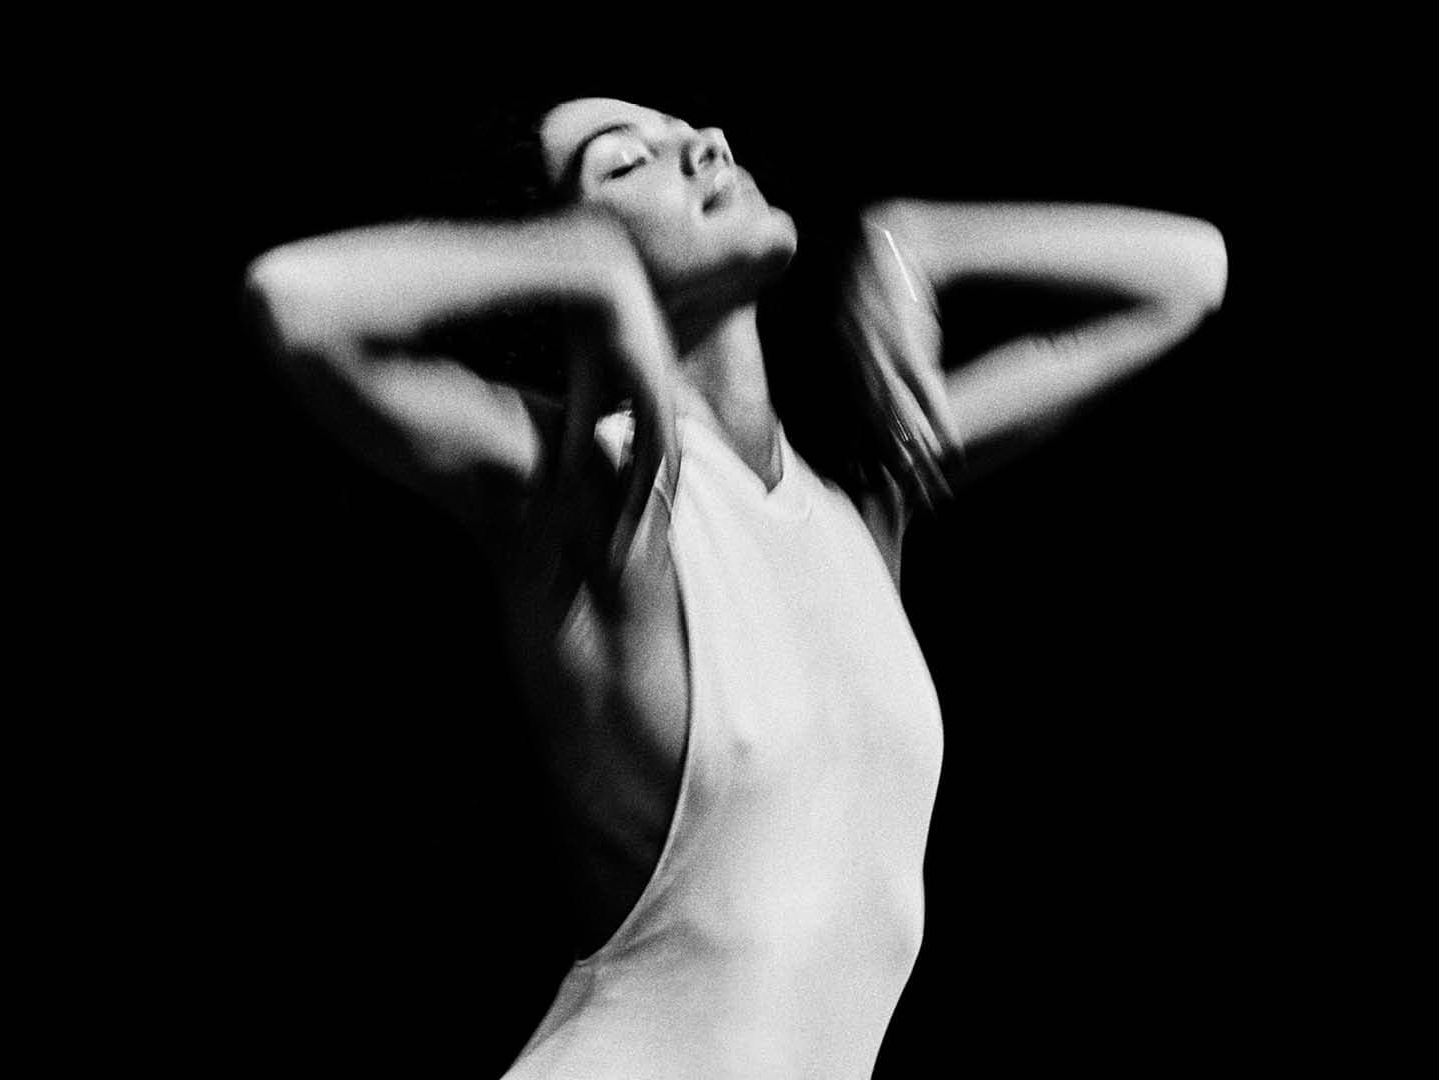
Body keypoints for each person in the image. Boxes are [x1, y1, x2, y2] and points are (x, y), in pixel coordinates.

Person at [245, 96, 1227, 1079]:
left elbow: (1188, 275)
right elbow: (296, 300)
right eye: (626, 162)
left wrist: (918, 239)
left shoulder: (859, 508)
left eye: (690, 132)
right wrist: (584, 260)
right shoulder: (586, 498)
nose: (704, 146)